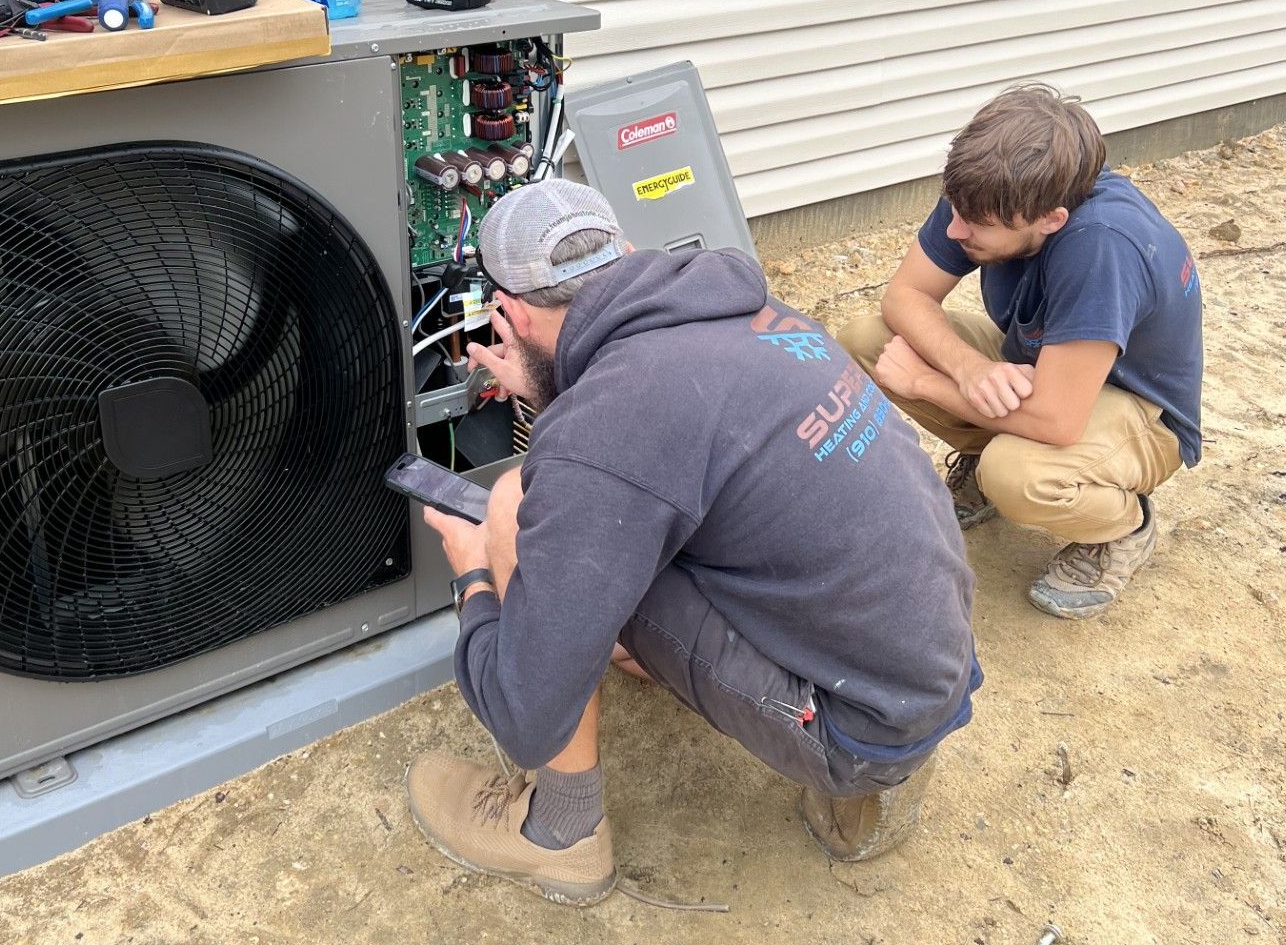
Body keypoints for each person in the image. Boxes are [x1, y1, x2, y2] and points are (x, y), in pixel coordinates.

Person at [407, 178, 979, 907]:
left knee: (521, 509)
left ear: (508, 313)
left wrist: (475, 578)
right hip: (929, 660)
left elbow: (524, 717)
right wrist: (549, 379)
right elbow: (645, 434)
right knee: (606, 518)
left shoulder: (613, 425)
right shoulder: (741, 313)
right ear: (623, 256)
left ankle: (561, 834)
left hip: (856, 725)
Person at [838, 85, 1203, 620]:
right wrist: (970, 368)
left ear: (1051, 219)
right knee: (869, 340)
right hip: (1041, 367)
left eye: (977, 224)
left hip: (1139, 414)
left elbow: (1056, 418)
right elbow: (905, 295)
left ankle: (1123, 527)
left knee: (1018, 472)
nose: (956, 229)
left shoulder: (1102, 247)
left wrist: (927, 383)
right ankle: (988, 454)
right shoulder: (989, 188)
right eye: (956, 211)